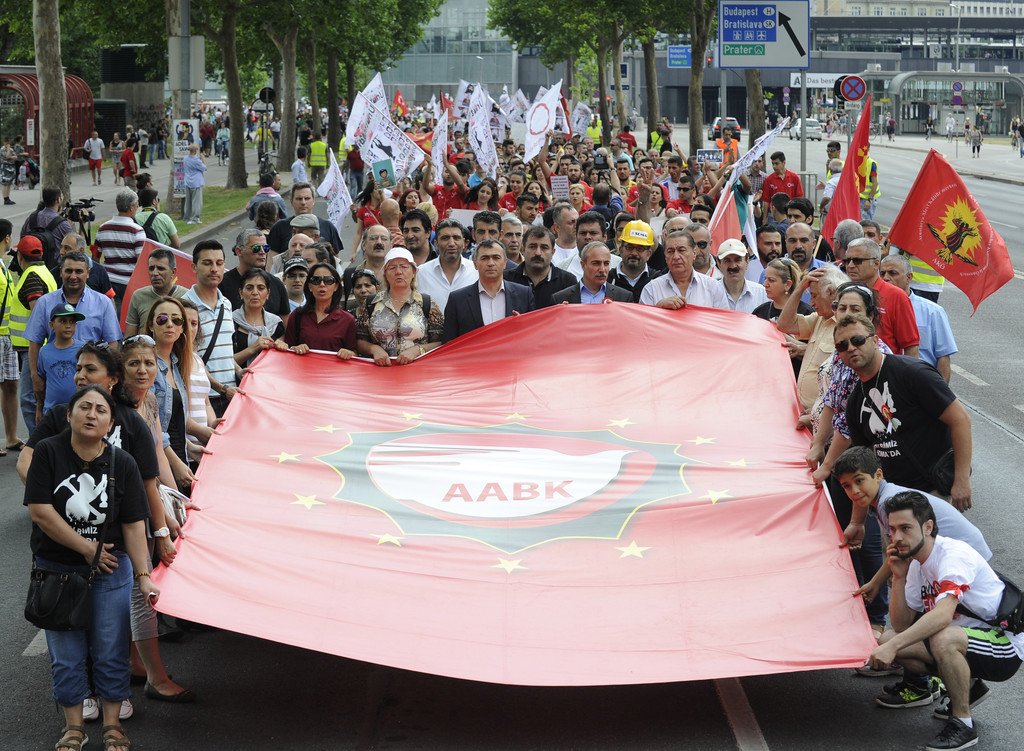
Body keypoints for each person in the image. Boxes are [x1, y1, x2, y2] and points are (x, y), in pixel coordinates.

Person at [24, 384, 157, 751]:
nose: (91, 414)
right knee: (66, 657)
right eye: (84, 407)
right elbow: (40, 511)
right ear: (69, 415)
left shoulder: (122, 462)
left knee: (111, 651)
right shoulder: (48, 452)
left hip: (111, 571)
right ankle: (74, 728)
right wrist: (87, 549)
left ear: (110, 423)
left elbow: (133, 524)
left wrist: (143, 576)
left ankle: (113, 725)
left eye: (101, 410)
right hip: (57, 570)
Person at [866, 492, 1022, 751]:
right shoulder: (916, 563)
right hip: (964, 638)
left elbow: (943, 615)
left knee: (941, 636)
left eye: (905, 528)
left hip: (1004, 645)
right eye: (892, 529)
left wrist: (893, 647)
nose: (897, 537)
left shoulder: (952, 555)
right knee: (890, 638)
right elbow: (902, 625)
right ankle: (969, 687)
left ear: (928, 527)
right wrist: (899, 578)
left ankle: (963, 724)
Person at [836, 313, 973, 511]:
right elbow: (862, 466)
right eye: (842, 345)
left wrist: (961, 479)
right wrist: (857, 522)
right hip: (894, 501)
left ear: (875, 340)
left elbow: (960, 419)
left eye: (857, 340)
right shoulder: (855, 403)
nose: (850, 348)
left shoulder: (912, 373)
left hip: (934, 491)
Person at [880, 255, 957, 382]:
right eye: (882, 273)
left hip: (921, 382)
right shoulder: (875, 307)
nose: (886, 278)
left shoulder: (933, 311)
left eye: (893, 273)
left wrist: (939, 391)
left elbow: (943, 356)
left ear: (909, 277)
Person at [183, 241, 238, 417]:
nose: (214, 269)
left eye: (219, 263)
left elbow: (224, 351)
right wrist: (221, 388)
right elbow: (189, 357)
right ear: (194, 267)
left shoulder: (226, 304)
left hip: (231, 395)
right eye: (207, 263)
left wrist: (239, 370)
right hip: (201, 397)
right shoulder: (184, 307)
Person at [443, 240, 534, 342]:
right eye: (485, 258)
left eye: (496, 258)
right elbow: (448, 343)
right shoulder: (457, 299)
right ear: (475, 264)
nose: (491, 263)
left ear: (505, 263)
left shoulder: (524, 294)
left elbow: (533, 336)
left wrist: (522, 325)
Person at [843, 238, 919, 357]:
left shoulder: (897, 296)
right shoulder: (842, 292)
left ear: (876, 264)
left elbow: (911, 346)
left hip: (885, 366)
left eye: (857, 261)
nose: (850, 265)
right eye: (847, 261)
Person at [284, 262, 357, 360]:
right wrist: (295, 348)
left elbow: (355, 354)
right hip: (302, 368)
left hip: (334, 369)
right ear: (309, 286)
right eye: (316, 280)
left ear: (336, 286)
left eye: (328, 280)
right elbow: (287, 349)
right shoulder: (297, 315)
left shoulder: (348, 320)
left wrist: (348, 353)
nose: (322, 284)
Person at [640, 229, 729, 309]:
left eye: (681, 250)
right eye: (670, 251)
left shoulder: (713, 287)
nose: (676, 257)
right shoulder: (651, 289)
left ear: (694, 253)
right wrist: (658, 308)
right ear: (665, 257)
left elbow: (723, 320)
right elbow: (643, 321)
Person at [220, 228, 290, 317]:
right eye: (256, 248)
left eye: (266, 248)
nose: (262, 252)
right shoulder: (222, 284)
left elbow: (285, 321)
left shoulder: (276, 284)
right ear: (239, 251)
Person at [503, 225, 577, 308]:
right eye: (532, 247)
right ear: (523, 249)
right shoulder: (506, 279)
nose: (538, 253)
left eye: (544, 247)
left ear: (553, 252)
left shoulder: (568, 281)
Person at [96, 189, 146, 308]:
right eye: (137, 204)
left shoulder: (103, 228)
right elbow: (141, 261)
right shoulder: (137, 231)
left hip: (107, 282)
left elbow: (95, 256)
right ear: (131, 207)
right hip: (128, 283)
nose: (138, 207)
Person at [124, 249, 188, 337]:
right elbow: (129, 338)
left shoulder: (187, 296)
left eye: (160, 269)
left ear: (173, 272)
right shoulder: (138, 296)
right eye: (151, 268)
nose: (155, 273)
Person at [416, 219, 479, 311]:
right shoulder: (421, 273)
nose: (451, 243)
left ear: (464, 243)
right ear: (436, 243)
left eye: (456, 238)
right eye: (445, 238)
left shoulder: (476, 271)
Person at [232, 269, 286, 368]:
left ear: (268, 293)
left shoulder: (276, 323)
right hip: (236, 377)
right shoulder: (229, 321)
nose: (255, 293)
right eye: (249, 288)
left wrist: (283, 347)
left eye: (261, 288)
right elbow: (223, 362)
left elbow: (281, 363)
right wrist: (253, 348)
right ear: (241, 293)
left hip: (268, 377)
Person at [552, 242, 632, 305]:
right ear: (583, 265)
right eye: (596, 263)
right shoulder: (560, 299)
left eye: (606, 263)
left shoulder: (624, 298)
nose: (602, 269)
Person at [716, 240, 767, 313]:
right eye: (727, 261)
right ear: (718, 263)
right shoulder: (710, 293)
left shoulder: (762, 293)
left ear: (747, 261)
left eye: (738, 260)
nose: (733, 266)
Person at [182, 144, 206, 225]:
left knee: (188, 201)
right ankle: (195, 218)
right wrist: (203, 159)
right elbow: (204, 168)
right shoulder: (197, 160)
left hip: (188, 181)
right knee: (196, 202)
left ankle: (187, 217)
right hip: (196, 182)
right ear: (195, 151)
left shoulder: (185, 159)